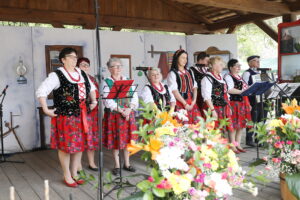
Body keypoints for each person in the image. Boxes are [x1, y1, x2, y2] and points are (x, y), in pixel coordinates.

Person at [36, 47, 97, 187]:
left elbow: (92, 88)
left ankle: (75, 173)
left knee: (79, 146)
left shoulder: (82, 73)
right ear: (63, 60)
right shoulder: (57, 75)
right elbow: (41, 91)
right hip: (65, 117)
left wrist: (93, 101)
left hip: (82, 115)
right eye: (71, 57)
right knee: (66, 147)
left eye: (76, 57)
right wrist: (46, 109)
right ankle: (67, 175)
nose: (75, 59)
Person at [102, 57, 138, 176]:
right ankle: (117, 164)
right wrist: (121, 110)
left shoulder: (128, 80)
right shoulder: (107, 82)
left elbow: (134, 97)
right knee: (116, 140)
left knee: (127, 140)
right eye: (114, 66)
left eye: (119, 66)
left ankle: (127, 163)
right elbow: (108, 101)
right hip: (114, 115)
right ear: (109, 68)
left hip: (128, 113)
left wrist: (129, 109)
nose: (118, 68)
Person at [201, 57, 235, 149]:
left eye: (222, 64)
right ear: (212, 66)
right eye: (220, 64)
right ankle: (210, 151)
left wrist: (228, 107)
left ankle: (220, 150)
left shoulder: (220, 77)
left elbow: (225, 93)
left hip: (223, 107)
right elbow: (206, 96)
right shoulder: (207, 78)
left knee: (222, 130)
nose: (222, 66)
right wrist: (212, 110)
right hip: (213, 108)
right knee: (212, 130)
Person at [224, 59, 252, 153]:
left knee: (240, 125)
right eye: (237, 66)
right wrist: (243, 92)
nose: (239, 67)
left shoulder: (239, 76)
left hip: (241, 102)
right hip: (233, 103)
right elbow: (229, 90)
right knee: (233, 125)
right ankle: (232, 145)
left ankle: (238, 144)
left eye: (239, 65)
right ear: (231, 67)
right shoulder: (228, 76)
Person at [167, 49, 201, 124]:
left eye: (186, 58)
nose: (185, 60)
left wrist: (194, 101)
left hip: (191, 102)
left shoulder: (189, 71)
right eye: (182, 57)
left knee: (196, 126)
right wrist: (185, 104)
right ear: (177, 58)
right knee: (182, 126)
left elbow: (194, 87)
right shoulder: (173, 73)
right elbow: (174, 91)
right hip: (180, 103)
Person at [77, 57, 99, 171]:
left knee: (91, 139)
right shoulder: (75, 78)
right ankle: (78, 165)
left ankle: (91, 163)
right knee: (79, 138)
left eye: (87, 65)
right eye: (82, 65)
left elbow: (97, 95)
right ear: (77, 66)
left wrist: (94, 103)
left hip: (92, 113)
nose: (85, 67)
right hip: (79, 113)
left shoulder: (93, 79)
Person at [242, 55, 262, 147]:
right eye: (255, 60)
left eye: (258, 60)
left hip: (262, 98)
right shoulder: (247, 73)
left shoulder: (261, 72)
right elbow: (244, 87)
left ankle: (259, 138)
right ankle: (249, 139)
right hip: (252, 99)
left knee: (261, 119)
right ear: (249, 63)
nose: (258, 62)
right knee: (252, 120)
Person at [190, 52, 210, 116]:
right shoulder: (192, 70)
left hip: (207, 94)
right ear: (200, 60)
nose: (208, 63)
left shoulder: (208, 69)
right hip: (197, 95)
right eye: (207, 61)